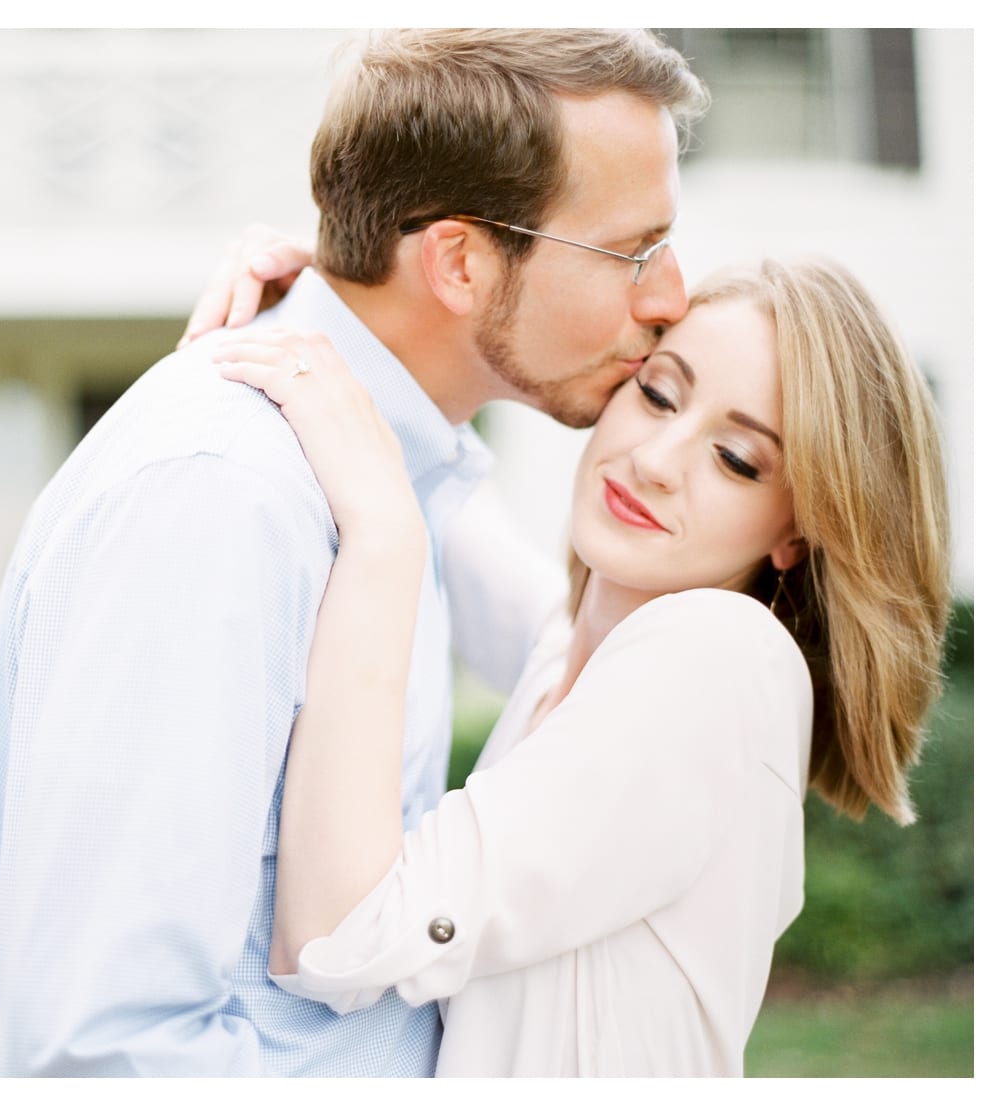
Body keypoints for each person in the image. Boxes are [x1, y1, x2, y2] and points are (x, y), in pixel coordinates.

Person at [0, 29, 708, 1076]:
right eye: (632, 250)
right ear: (461, 261)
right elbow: (107, 1052)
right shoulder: (224, 493)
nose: (670, 298)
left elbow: (586, 680)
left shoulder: (387, 471)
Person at [201, 256, 951, 1075]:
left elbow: (342, 937)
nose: (657, 459)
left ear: (796, 536)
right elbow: (454, 506)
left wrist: (383, 533)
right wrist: (346, 300)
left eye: (737, 458)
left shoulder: (724, 658)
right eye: (659, 393)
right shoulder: (575, 655)